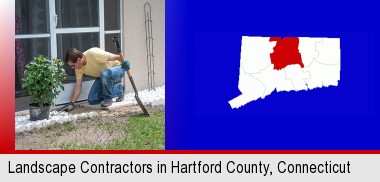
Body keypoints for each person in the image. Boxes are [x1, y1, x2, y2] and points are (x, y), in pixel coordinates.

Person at [59, 47, 130, 111]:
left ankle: (108, 99)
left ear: (79, 60)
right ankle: (118, 90)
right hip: (103, 76)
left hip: (118, 68)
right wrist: (72, 103)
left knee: (104, 74)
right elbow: (78, 86)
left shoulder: (93, 54)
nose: (72, 68)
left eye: (73, 65)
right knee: (92, 99)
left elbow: (117, 57)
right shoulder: (78, 68)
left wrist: (126, 62)